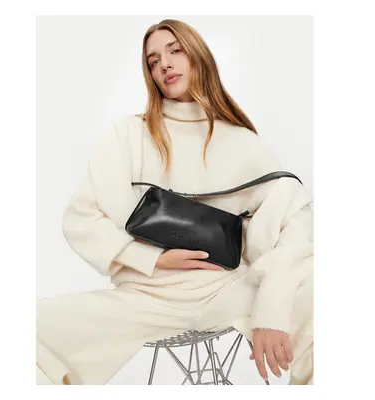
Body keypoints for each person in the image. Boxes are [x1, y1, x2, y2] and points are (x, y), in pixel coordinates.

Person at [36, 19, 313, 385]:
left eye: (175, 51)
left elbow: (297, 225)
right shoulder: (128, 135)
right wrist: (150, 258)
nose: (164, 64)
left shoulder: (243, 142)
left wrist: (272, 309)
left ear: (198, 55)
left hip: (226, 290)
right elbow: (80, 218)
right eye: (153, 61)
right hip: (146, 296)